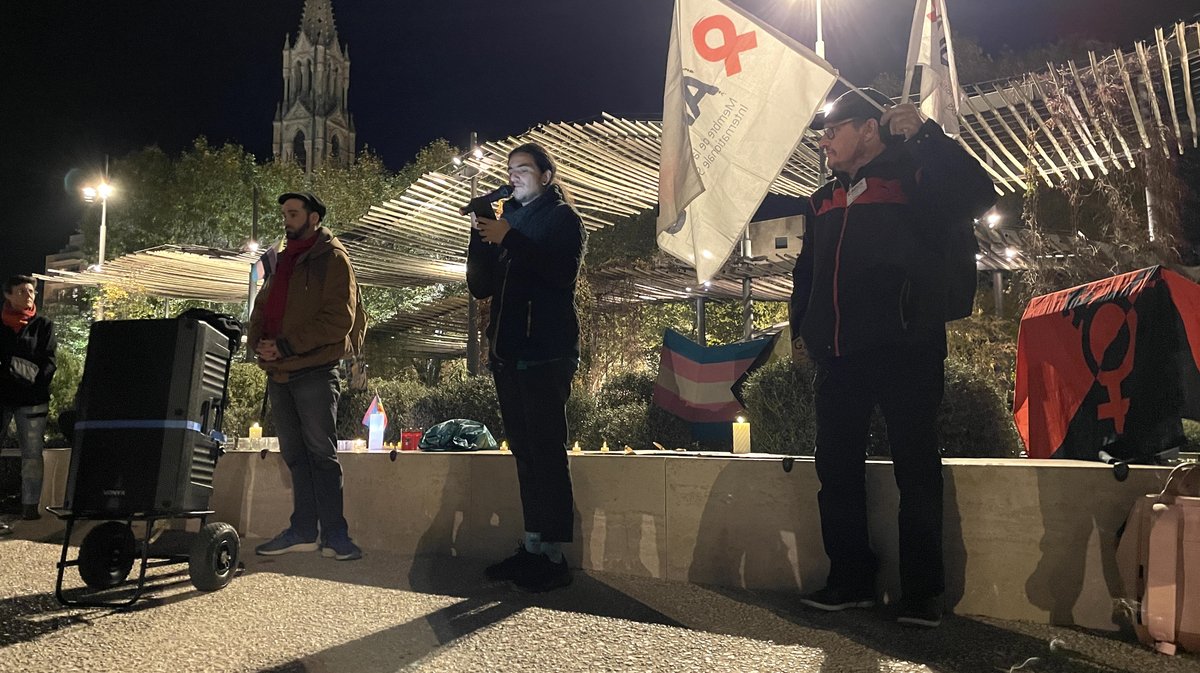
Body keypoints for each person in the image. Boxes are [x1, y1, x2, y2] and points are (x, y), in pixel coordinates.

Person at [789, 88, 995, 627]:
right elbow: (806, 274)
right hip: (838, 355)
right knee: (834, 467)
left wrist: (927, 137)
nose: (824, 140)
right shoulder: (823, 199)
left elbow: (978, 195)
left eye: (833, 129)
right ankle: (850, 579)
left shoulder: (916, 177)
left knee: (915, 467)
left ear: (869, 130)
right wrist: (801, 331)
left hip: (907, 348)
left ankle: (923, 593)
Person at [467, 142, 586, 592]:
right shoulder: (509, 221)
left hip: (546, 352)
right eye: (510, 169)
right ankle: (533, 545)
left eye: (524, 169)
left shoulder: (562, 220)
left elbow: (560, 275)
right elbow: (481, 287)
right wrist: (480, 235)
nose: (514, 175)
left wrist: (508, 237)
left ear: (547, 176)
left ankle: (554, 557)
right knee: (524, 449)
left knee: (547, 450)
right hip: (508, 353)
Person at [248, 192, 362, 561]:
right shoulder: (281, 261)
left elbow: (338, 320)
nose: (287, 219)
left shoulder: (332, 259)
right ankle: (302, 530)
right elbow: (263, 306)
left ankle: (335, 535)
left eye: (293, 213)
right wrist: (259, 344)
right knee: (295, 455)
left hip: (313, 370)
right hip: (279, 371)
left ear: (314, 218)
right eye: (284, 213)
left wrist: (286, 345)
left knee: (321, 455)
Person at [0, 275, 56, 535]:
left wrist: (32, 382)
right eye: (22, 291)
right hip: (2, 398)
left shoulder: (43, 325)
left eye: (32, 290)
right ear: (8, 295)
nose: (29, 295)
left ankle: (30, 507)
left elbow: (49, 362)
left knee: (32, 455)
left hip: (32, 399)